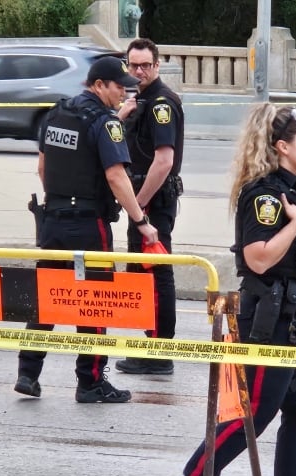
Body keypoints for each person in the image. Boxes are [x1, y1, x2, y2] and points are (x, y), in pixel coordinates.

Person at [160, 104, 296, 476]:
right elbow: (258, 259)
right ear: (283, 147)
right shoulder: (265, 196)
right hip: (267, 322)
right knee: (253, 416)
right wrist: (294, 224)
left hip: (295, 321)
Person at [14, 56, 159, 403]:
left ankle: (28, 373)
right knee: (94, 304)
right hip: (88, 224)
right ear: (99, 85)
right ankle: (91, 382)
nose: (125, 92)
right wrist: (141, 220)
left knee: (47, 298)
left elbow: (43, 165)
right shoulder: (104, 122)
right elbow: (116, 176)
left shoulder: (57, 113)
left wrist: (61, 198)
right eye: (119, 86)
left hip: (52, 220)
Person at [115, 38, 184, 376]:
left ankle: (160, 352)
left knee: (157, 275)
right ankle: (151, 346)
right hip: (142, 199)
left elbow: (164, 161)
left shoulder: (160, 103)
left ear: (157, 66)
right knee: (144, 274)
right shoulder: (138, 100)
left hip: (152, 200)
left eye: (145, 65)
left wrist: (138, 207)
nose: (139, 71)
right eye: (133, 65)